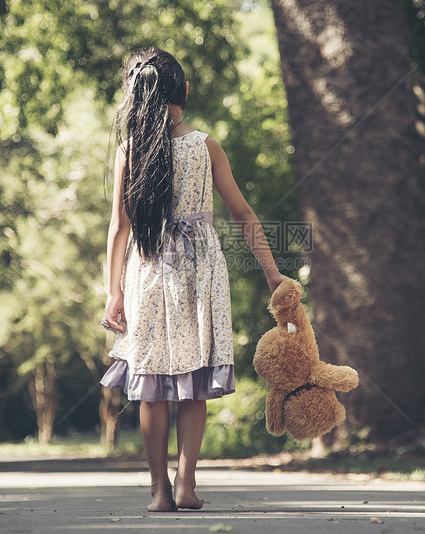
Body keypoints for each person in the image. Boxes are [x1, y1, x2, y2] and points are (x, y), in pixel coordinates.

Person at [99, 47, 287, 512]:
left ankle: (159, 491)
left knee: (152, 383)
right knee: (192, 380)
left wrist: (113, 293)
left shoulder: (129, 149)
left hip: (147, 271)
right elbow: (243, 214)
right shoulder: (205, 145)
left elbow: (119, 228)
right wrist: (273, 274)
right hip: (200, 269)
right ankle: (186, 484)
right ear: (182, 91)